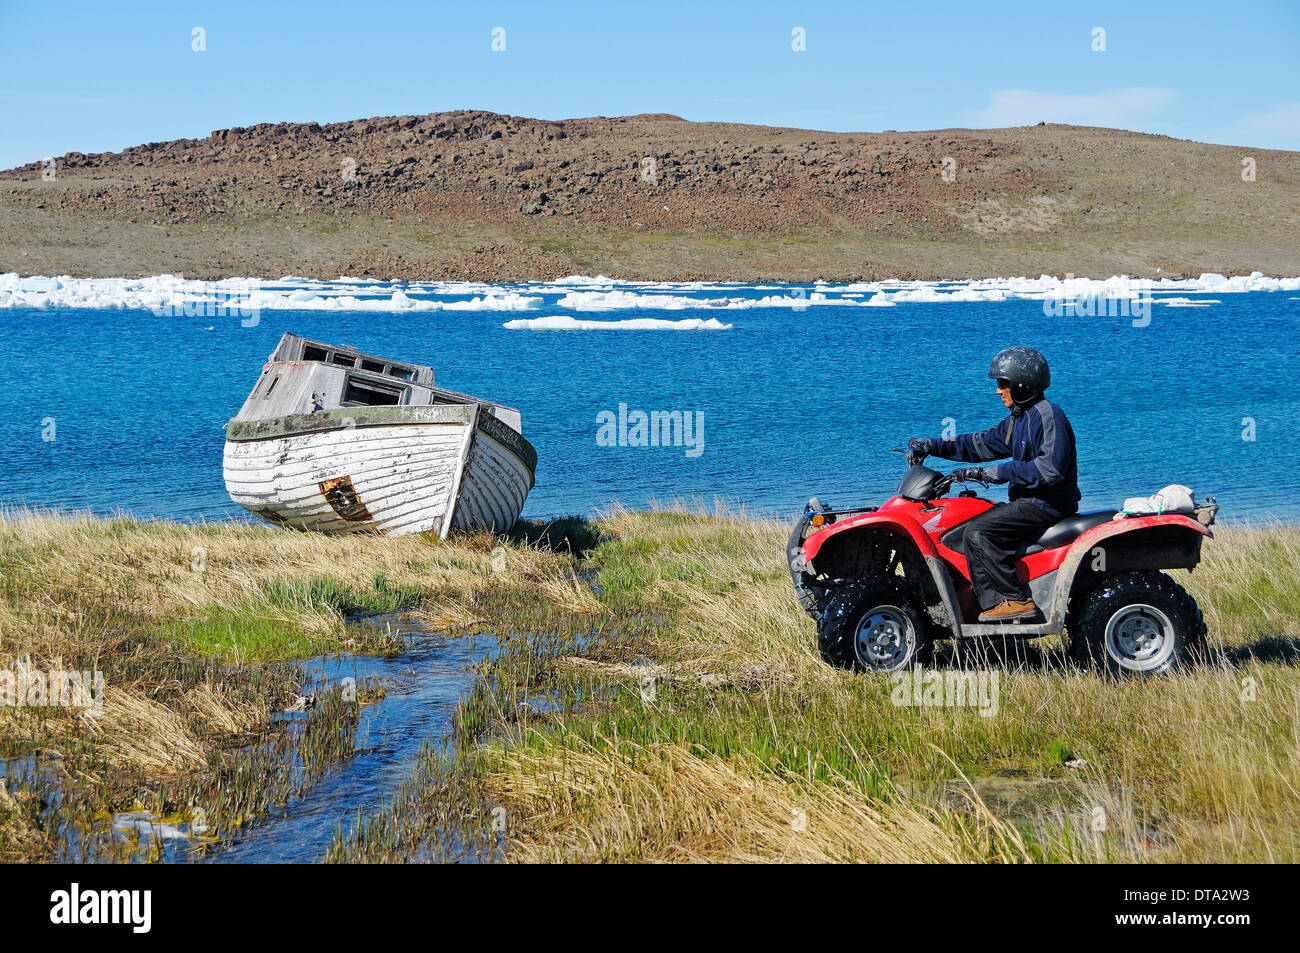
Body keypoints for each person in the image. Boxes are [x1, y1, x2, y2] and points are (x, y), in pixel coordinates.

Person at [908, 346, 1081, 622]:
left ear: (1022, 384)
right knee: (970, 518)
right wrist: (932, 445)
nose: (998, 391)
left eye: (1003, 384)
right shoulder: (1020, 418)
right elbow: (979, 444)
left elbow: (1051, 470)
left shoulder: (1049, 416)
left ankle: (1013, 601)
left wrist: (999, 472)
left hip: (1046, 504)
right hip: (1028, 502)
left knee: (978, 532)